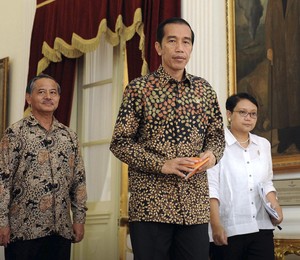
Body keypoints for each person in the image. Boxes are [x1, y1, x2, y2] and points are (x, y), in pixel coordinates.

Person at [110, 17, 225, 260]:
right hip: (151, 206)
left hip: (194, 205)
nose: (180, 48)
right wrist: (162, 165)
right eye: (172, 41)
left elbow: (217, 136)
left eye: (186, 42)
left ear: (191, 48)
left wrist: (212, 155)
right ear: (159, 47)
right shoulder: (138, 89)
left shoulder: (204, 90)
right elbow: (120, 142)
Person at [0, 74, 87, 260]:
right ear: (29, 98)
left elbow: (78, 181)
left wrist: (79, 219)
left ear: (58, 98)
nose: (48, 96)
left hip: (60, 230)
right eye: (41, 92)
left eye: (53, 92)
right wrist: (2, 222)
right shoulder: (15, 133)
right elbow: (2, 180)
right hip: (24, 230)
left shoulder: (69, 136)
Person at [208, 93, 283, 260]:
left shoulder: (263, 144)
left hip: (261, 226)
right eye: (242, 112)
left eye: (253, 113)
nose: (248, 118)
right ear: (229, 114)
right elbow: (211, 187)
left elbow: (266, 182)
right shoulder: (216, 144)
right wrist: (215, 225)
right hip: (229, 228)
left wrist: (276, 207)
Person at [265, 0, 300, 153]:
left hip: (296, 51)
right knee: (281, 97)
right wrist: (269, 47)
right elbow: (268, 23)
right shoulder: (273, 1)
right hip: (279, 52)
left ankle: (297, 137)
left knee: (296, 95)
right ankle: (284, 138)